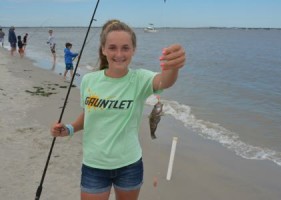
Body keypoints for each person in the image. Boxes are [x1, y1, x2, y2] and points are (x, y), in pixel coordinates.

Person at [50, 19, 185, 200]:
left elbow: (164, 81)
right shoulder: (89, 80)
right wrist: (70, 128)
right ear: (104, 49)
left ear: (133, 50)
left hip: (129, 165)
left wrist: (173, 67)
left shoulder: (140, 79)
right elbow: (89, 114)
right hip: (94, 165)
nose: (119, 54)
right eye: (112, 47)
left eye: (125, 48)